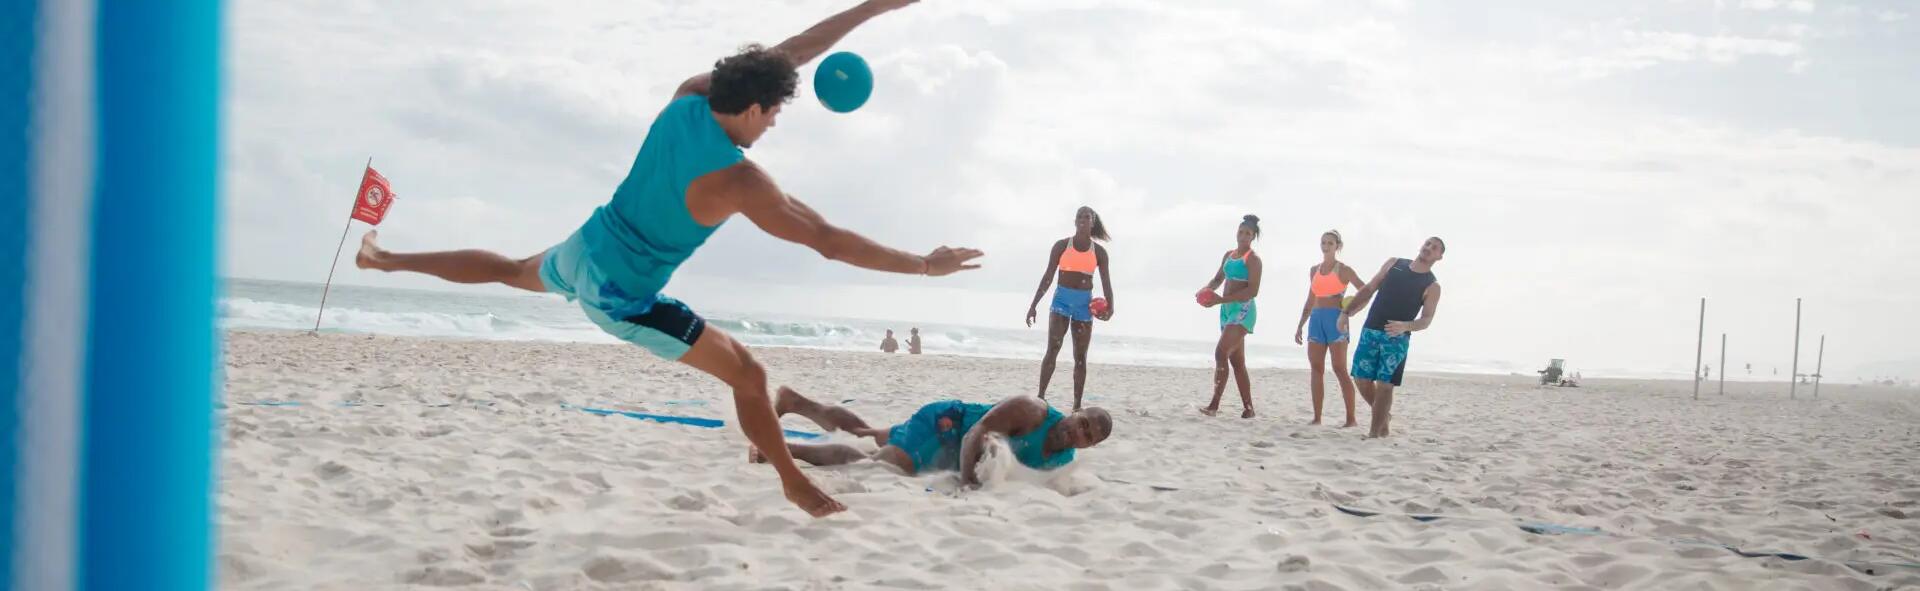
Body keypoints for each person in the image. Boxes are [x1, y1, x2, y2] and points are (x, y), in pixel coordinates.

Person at [350, 0, 981, 518]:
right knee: (750, 376)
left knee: (513, 270)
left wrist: (873, 7)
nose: (776, 122)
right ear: (757, 107)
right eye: (778, 112)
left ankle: (384, 261)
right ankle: (792, 480)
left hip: (588, 246)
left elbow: (786, 54)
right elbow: (828, 239)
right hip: (623, 298)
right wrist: (925, 265)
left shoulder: (688, 97)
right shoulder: (740, 181)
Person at [750, 387, 1112, 486]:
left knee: (866, 433)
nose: (1077, 431)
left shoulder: (1063, 459)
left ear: (1089, 444)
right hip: (947, 425)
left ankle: (793, 401)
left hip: (954, 446)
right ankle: (778, 448)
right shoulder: (1032, 410)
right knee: (881, 463)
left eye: (1087, 435)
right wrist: (969, 480)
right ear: (1075, 411)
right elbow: (977, 430)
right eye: (1082, 421)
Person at [1340, 237, 1446, 438]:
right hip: (1370, 329)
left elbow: (1426, 319)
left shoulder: (1432, 286)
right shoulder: (1394, 263)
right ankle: (1383, 417)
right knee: (1361, 379)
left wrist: (1406, 326)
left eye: (1435, 248)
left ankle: (1374, 433)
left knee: (1385, 386)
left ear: (1439, 257)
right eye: (1428, 244)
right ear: (1421, 245)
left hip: (1397, 338)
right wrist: (1346, 312)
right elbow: (1369, 288)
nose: (1429, 248)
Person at [1024, 206, 1115, 411]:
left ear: (1093, 222)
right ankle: (1040, 397)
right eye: (1080, 217)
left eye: (1087, 217)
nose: (1083, 220)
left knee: (1080, 357)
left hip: (1084, 305)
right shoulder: (1061, 246)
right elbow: (1048, 277)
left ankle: (1076, 406)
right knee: (1052, 349)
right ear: (1075, 221)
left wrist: (1110, 308)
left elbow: (1107, 283)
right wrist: (1033, 305)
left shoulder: (1099, 253)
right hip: (1061, 302)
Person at [1292, 230, 1367, 427]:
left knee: (1339, 368)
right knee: (1316, 369)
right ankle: (1317, 418)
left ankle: (1351, 419)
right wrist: (1301, 324)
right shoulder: (1313, 270)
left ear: (1337, 246)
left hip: (1336, 320)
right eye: (1323, 243)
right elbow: (1310, 299)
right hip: (1316, 319)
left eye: (1330, 243)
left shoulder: (1344, 270)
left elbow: (1365, 291)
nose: (1326, 246)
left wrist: (1351, 311)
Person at [1197, 215, 1263, 418]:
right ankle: (1249, 409)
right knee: (1237, 362)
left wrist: (1220, 300)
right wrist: (1206, 290)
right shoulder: (1229, 255)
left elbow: (1252, 291)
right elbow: (1218, 279)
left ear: (1253, 237)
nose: (1243, 236)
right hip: (1226, 311)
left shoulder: (1253, 260)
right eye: (1241, 232)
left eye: (1248, 234)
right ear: (1237, 233)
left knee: (1220, 352)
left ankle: (1214, 405)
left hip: (1243, 311)